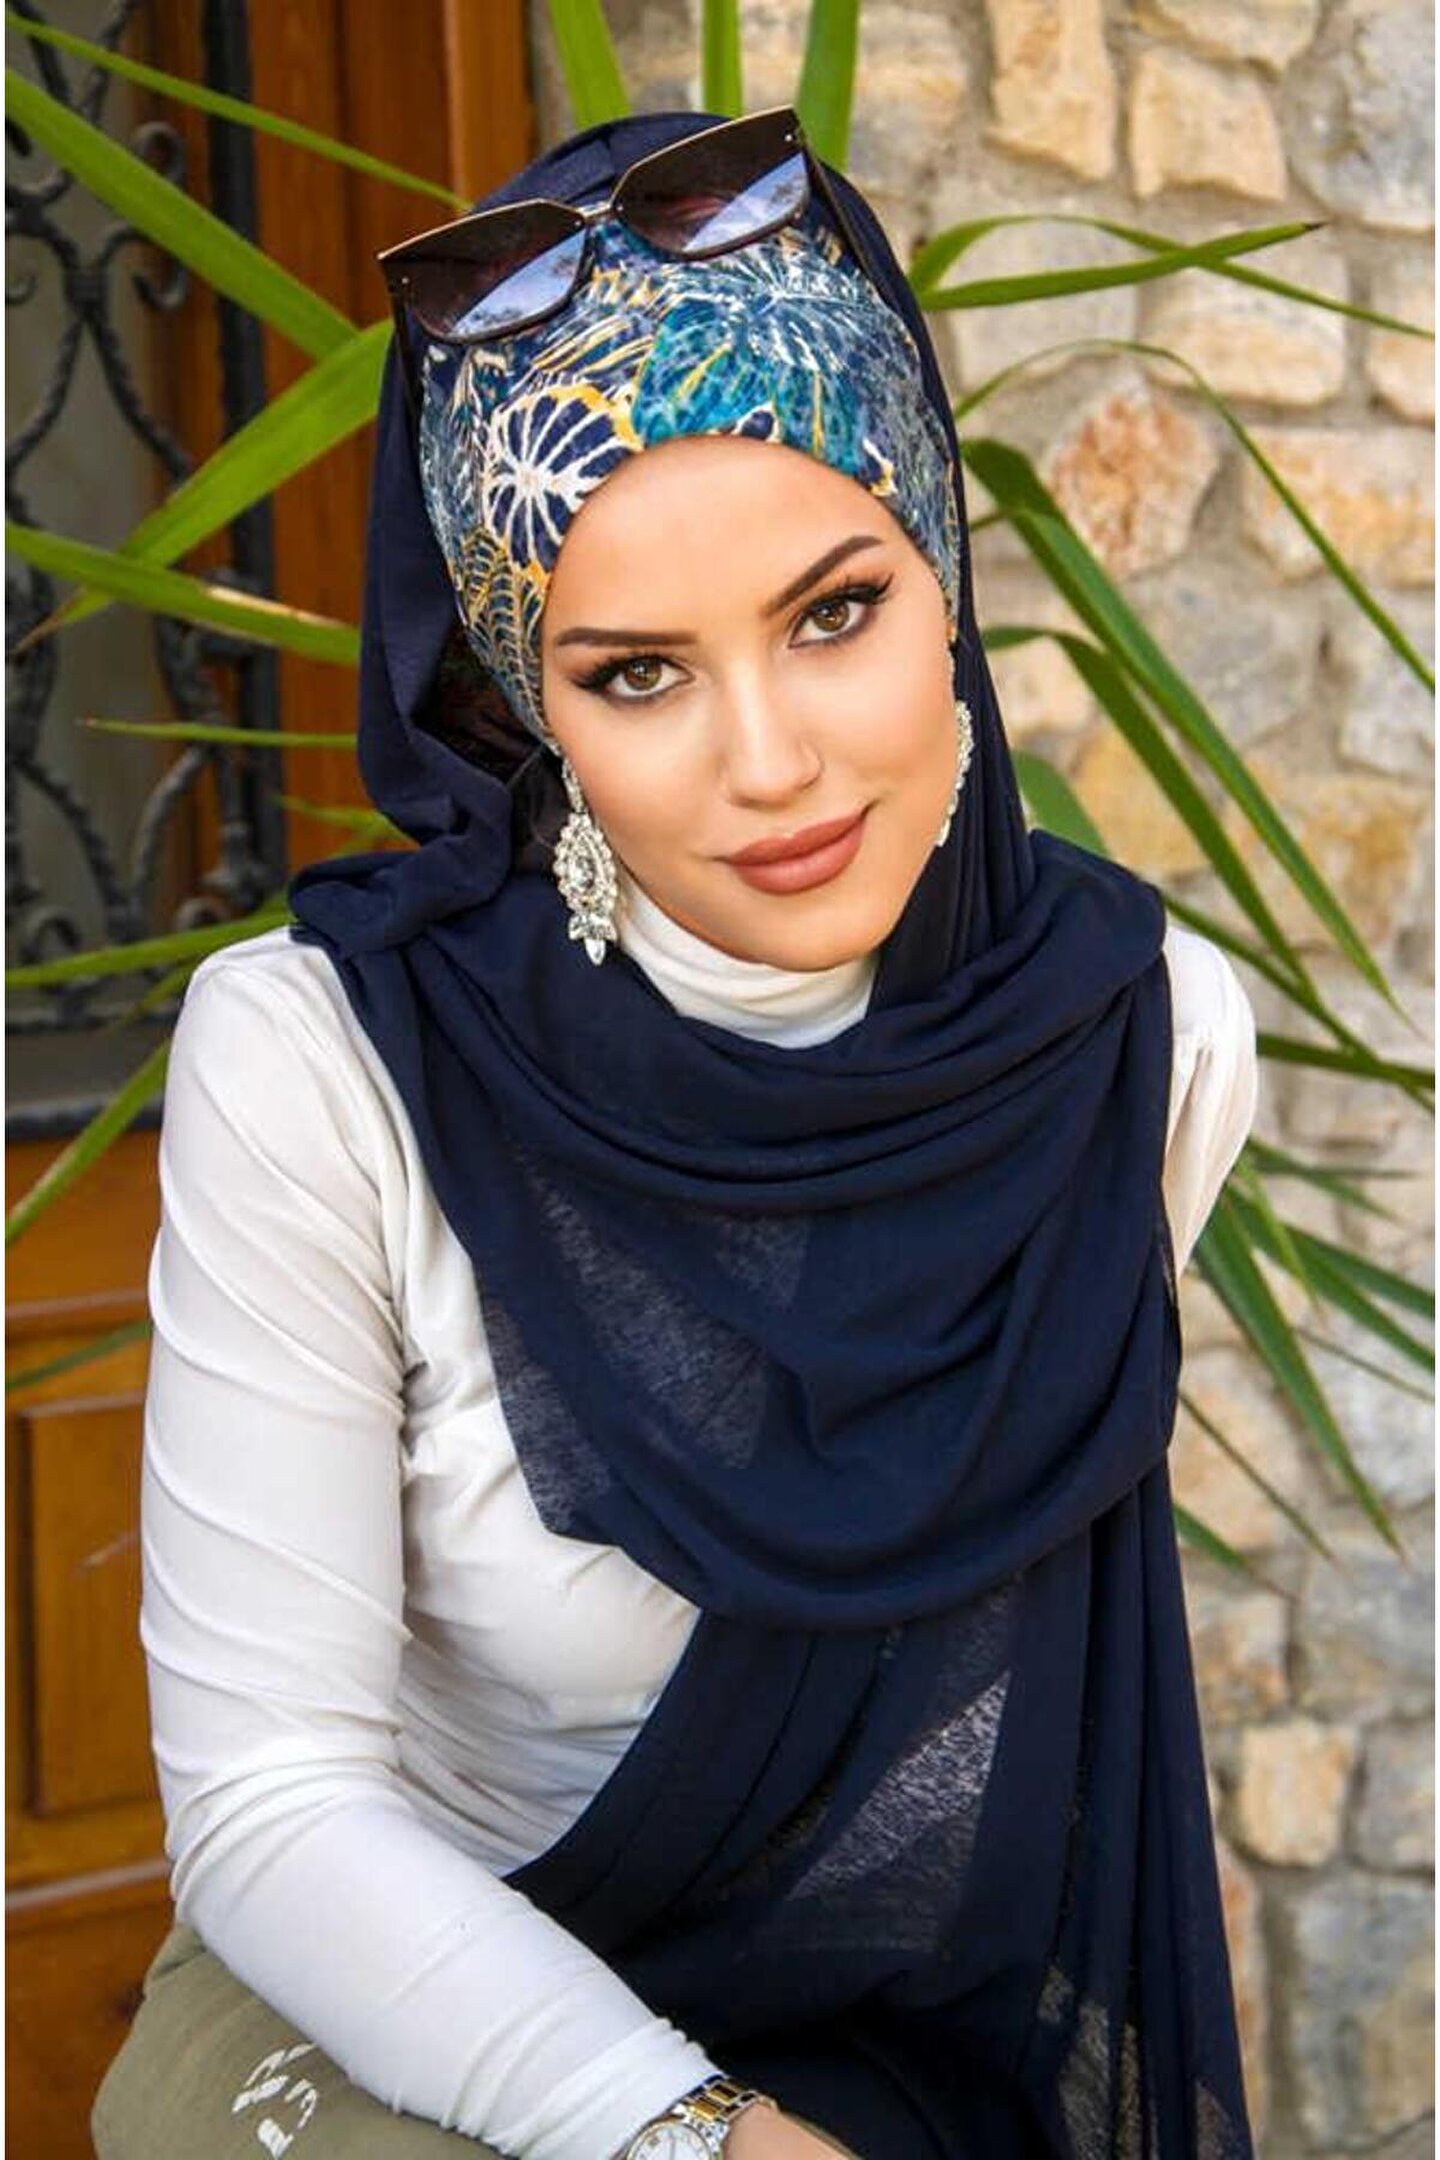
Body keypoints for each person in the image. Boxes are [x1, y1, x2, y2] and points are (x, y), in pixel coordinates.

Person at [92, 104, 1260, 2160]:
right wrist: (694, 2135)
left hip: (904, 2043)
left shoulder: (1139, 1041)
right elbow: (275, 1809)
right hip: (406, 2024)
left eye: (835, 613)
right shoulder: (329, 1062)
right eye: (636, 674)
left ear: (947, 579)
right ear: (524, 710)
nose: (771, 761)